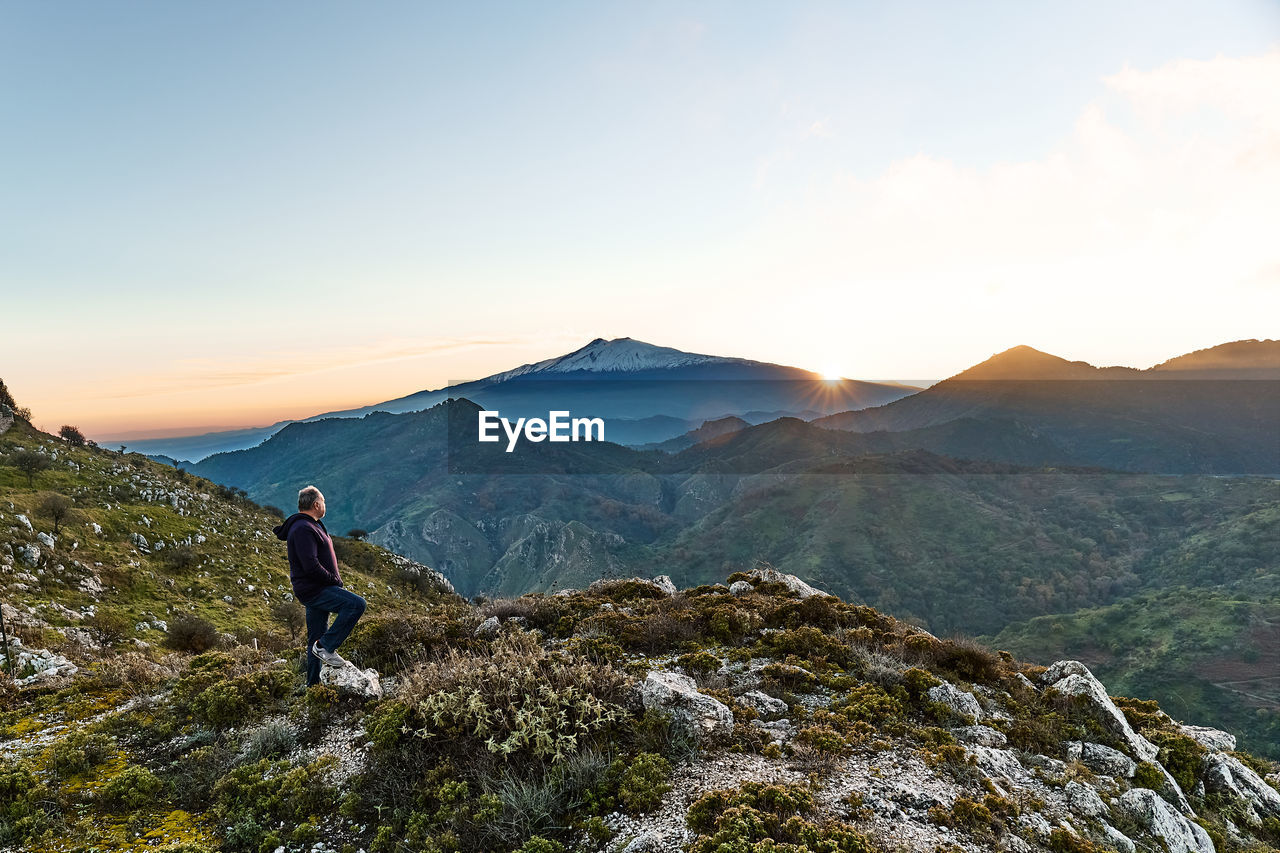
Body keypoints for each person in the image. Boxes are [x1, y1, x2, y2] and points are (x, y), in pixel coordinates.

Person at [273, 485, 366, 687]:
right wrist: (334, 581)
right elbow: (310, 565)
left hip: (314, 588)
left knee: (314, 637)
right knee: (356, 605)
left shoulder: (311, 525)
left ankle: (312, 685)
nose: (325, 505)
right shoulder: (302, 528)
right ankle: (326, 647)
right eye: (323, 501)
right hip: (315, 589)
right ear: (316, 504)